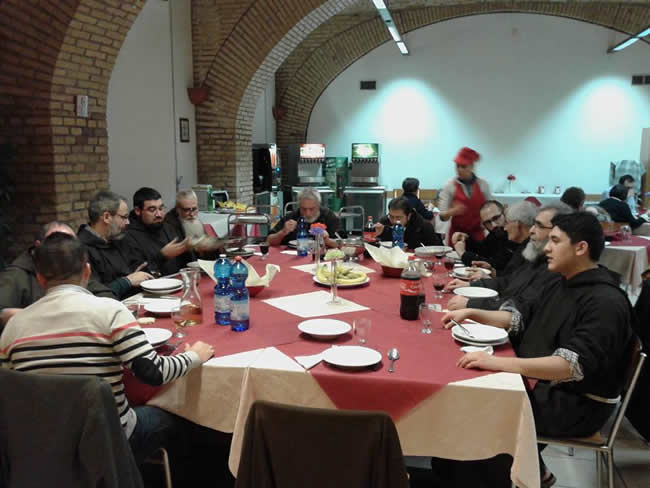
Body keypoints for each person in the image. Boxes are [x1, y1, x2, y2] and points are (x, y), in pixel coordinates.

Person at [440, 212, 634, 487]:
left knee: (476, 407)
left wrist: (497, 363)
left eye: (555, 241)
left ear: (581, 247)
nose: (547, 248)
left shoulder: (605, 301)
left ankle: (488, 475)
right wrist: (473, 313)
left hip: (575, 403)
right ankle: (460, 472)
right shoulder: (562, 281)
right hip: (547, 385)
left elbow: (570, 365)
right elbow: (520, 318)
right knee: (466, 387)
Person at [0, 233, 215, 469]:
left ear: (40, 278)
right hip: (107, 441)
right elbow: (153, 373)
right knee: (175, 415)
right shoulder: (110, 311)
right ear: (87, 271)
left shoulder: (13, 327)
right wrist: (194, 356)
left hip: (41, 447)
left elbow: (11, 395)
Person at [446, 201, 572, 311]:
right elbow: (510, 281)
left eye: (538, 226)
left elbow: (521, 307)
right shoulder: (532, 251)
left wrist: (471, 304)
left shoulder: (553, 270)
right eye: (487, 222)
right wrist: (474, 284)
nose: (531, 230)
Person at [0, 222, 114, 326]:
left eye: (70, 244)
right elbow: (2, 313)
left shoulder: (73, 265)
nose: (64, 250)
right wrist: (48, 316)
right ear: (39, 246)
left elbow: (105, 295)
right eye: (55, 245)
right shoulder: (16, 274)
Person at [78, 191, 153, 299]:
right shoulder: (81, 250)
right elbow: (94, 295)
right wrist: (126, 282)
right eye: (124, 217)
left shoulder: (119, 238)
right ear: (106, 217)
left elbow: (141, 267)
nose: (128, 222)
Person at [121, 187, 189, 276]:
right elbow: (138, 273)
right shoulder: (127, 236)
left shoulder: (167, 227)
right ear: (138, 210)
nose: (159, 214)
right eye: (152, 210)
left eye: (161, 208)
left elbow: (185, 263)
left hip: (178, 280)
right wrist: (162, 256)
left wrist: (197, 249)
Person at [438, 146, 491, 241]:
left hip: (477, 236)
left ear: (472, 166)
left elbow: (491, 209)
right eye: (457, 166)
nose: (459, 169)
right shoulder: (449, 186)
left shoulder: (483, 185)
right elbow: (442, 216)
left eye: (463, 166)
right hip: (456, 237)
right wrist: (452, 212)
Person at [451, 200, 514, 273]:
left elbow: (498, 265)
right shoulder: (495, 233)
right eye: (488, 222)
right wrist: (466, 238)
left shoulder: (514, 235)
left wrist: (463, 254)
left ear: (505, 214)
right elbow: (483, 250)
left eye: (496, 218)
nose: (494, 225)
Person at [267, 187, 339, 247]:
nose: (307, 213)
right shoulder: (292, 217)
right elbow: (268, 241)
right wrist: (283, 232)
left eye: (311, 209)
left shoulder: (328, 216)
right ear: (299, 205)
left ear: (318, 205)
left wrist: (327, 240)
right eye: (303, 209)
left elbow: (342, 244)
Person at [163, 189, 223, 260]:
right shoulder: (169, 224)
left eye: (194, 209)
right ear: (178, 209)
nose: (191, 214)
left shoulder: (195, 220)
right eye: (186, 210)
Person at [374, 197, 442, 249]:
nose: (394, 221)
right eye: (391, 216)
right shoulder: (384, 222)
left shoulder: (424, 226)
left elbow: (438, 250)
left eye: (398, 218)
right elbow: (375, 248)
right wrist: (378, 235)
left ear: (409, 216)